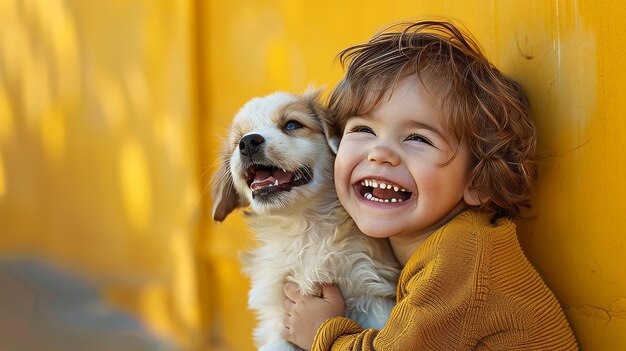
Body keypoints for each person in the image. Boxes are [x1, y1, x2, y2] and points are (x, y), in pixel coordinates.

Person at [281, 20, 578, 350]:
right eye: (363, 129)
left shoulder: (462, 259)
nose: (380, 153)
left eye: (417, 138)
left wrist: (322, 334)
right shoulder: (440, 248)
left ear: (477, 180)